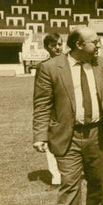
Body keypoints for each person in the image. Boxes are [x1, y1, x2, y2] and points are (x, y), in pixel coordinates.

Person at [32, 27, 103, 205]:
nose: (99, 46)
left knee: (97, 181)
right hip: (67, 136)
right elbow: (42, 105)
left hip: (99, 134)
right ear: (78, 45)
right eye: (94, 42)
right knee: (70, 184)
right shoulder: (50, 67)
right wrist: (39, 135)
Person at [39, 33, 64, 185]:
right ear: (47, 47)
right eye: (53, 45)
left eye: (60, 44)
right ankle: (56, 176)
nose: (58, 48)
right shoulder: (44, 66)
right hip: (52, 113)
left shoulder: (70, 62)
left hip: (68, 111)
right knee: (51, 145)